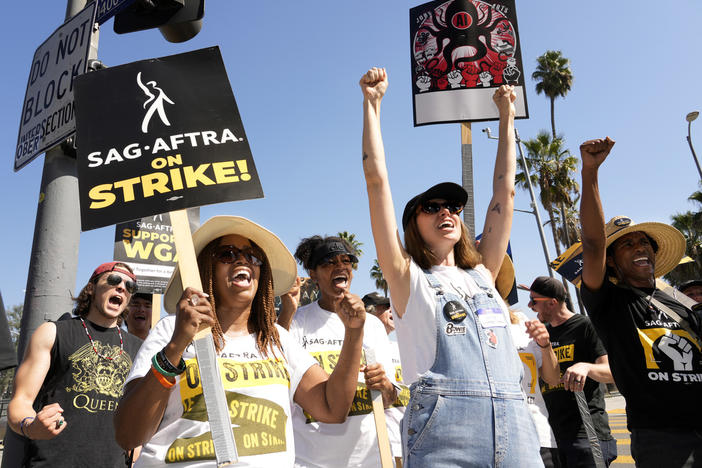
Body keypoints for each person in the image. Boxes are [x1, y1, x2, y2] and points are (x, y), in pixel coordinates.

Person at [360, 66, 542, 466]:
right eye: (431, 207)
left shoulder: (483, 275)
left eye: (453, 207)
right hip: (445, 436)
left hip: (517, 427)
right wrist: (372, 104)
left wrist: (506, 114)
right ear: (413, 226)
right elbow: (376, 182)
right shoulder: (408, 280)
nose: (446, 212)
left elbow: (506, 191)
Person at [114, 216, 366, 467]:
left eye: (253, 256)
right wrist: (176, 346)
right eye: (227, 254)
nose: (243, 260)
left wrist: (354, 333)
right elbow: (128, 434)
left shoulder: (277, 340)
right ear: (206, 268)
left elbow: (333, 408)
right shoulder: (171, 330)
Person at [578, 137, 702, 467]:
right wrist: (590, 172)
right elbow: (592, 244)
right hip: (662, 441)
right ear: (613, 263)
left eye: (645, 242)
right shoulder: (611, 302)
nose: (639, 247)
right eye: (628, 244)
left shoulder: (681, 304)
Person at [8, 262, 143, 468]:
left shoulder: (139, 349)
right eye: (114, 280)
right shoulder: (53, 333)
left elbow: (140, 414)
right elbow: (20, 402)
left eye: (130, 286)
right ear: (91, 287)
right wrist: (31, 426)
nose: (122, 287)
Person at [282, 235, 397, 468]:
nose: (340, 267)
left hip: (370, 461)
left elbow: (390, 398)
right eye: (328, 263)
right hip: (311, 462)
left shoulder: (373, 325)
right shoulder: (296, 323)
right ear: (313, 274)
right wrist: (286, 312)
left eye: (346, 261)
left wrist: (384, 385)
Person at [524, 276, 616, 466]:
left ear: (552, 302)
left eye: (534, 301)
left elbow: (611, 371)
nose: (530, 306)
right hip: (552, 436)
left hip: (586, 433)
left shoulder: (584, 326)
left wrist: (587, 367)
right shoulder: (542, 333)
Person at [508, 308, 561, 468]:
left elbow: (552, 378)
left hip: (538, 433)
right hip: (493, 438)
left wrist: (545, 344)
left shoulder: (521, 322)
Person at [363, 291, 408, 466]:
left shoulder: (402, 348)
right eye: (385, 307)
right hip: (384, 447)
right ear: (369, 313)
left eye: (392, 307)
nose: (392, 311)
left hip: (409, 445)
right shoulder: (361, 350)